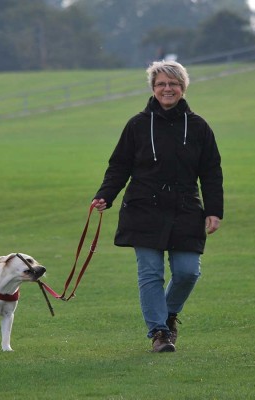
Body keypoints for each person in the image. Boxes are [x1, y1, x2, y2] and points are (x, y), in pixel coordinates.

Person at [91, 60, 224, 353]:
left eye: (173, 84)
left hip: (186, 207)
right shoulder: (137, 125)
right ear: (153, 88)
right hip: (143, 207)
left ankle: (169, 314)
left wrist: (214, 210)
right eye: (161, 83)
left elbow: (211, 171)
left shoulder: (199, 126)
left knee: (188, 272)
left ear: (182, 88)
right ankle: (160, 332)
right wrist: (105, 195)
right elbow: (119, 166)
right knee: (150, 273)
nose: (167, 89)